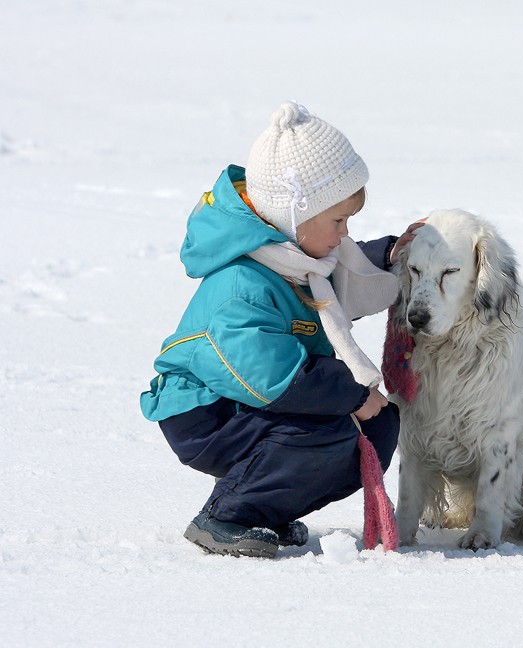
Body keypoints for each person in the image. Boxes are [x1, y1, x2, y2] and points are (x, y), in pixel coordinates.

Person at [140, 100, 421, 558]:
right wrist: (352, 392)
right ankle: (228, 516)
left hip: (256, 400)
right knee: (328, 430)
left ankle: (264, 508)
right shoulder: (242, 285)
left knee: (377, 429)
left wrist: (393, 254)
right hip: (206, 410)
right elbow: (274, 377)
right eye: (337, 221)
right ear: (294, 216)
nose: (345, 234)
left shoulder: (297, 259)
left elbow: (343, 272)